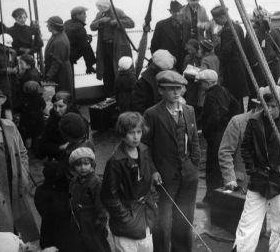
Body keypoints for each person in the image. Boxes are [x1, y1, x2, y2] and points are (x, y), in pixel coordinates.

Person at [234, 85, 280, 252]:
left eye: (273, 106)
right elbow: (246, 148)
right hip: (259, 180)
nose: (268, 110)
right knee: (248, 222)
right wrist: (253, 170)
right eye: (265, 106)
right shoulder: (254, 121)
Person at [143, 70, 200, 252]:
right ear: (161, 91)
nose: (176, 92)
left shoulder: (189, 111)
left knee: (184, 219)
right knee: (163, 222)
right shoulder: (152, 114)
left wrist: (194, 164)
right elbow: (144, 147)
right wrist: (152, 171)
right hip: (164, 178)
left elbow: (194, 140)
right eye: (171, 89)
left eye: (179, 88)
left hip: (188, 176)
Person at [35, 109, 93, 251]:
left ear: (66, 134)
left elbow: (68, 176)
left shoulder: (74, 155)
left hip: (66, 201)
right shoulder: (86, 143)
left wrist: (53, 167)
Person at [101, 112, 158, 252]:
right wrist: (125, 218)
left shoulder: (144, 150)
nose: (136, 137)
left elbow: (148, 175)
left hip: (145, 215)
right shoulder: (115, 161)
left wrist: (153, 199)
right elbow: (108, 196)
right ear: (122, 133)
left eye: (139, 132)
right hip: (127, 220)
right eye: (131, 133)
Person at [0, 87, 40, 241]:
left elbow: (22, 152)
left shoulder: (9, 126)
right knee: (5, 238)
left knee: (24, 236)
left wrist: (24, 173)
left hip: (16, 190)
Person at [199, 69, 241, 205]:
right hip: (226, 133)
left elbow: (214, 117)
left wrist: (206, 131)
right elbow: (236, 106)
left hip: (216, 136)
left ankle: (210, 198)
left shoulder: (210, 96)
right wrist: (230, 122)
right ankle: (222, 197)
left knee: (212, 168)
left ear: (206, 83)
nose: (200, 85)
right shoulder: (224, 90)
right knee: (224, 166)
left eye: (201, 82)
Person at [218, 89, 266, 192]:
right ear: (259, 107)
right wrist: (230, 179)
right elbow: (225, 152)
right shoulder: (238, 122)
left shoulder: (273, 124)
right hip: (241, 183)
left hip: (265, 184)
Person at [68, 147, 111, 252]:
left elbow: (101, 204)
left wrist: (101, 221)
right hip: (80, 221)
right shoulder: (74, 182)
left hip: (93, 222)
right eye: (78, 165)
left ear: (92, 165)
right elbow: (71, 199)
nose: (83, 168)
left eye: (86, 164)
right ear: (74, 167)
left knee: (98, 246)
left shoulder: (96, 182)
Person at [90, 0, 135, 97]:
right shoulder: (100, 14)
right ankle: (109, 96)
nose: (101, 9)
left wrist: (117, 22)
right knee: (107, 71)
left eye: (103, 6)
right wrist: (100, 21)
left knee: (119, 70)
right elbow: (92, 27)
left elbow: (131, 23)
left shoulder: (117, 11)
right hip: (105, 48)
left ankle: (120, 95)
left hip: (118, 47)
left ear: (108, 5)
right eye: (99, 7)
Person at [212, 5, 251, 110]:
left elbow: (225, 53)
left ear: (222, 17)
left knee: (233, 97)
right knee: (239, 98)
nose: (215, 23)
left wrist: (216, 47)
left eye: (216, 20)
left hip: (232, 70)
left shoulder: (227, 31)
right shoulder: (237, 27)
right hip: (240, 66)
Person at [131, 49, 175, 113]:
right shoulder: (143, 83)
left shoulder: (169, 76)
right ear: (156, 67)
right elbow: (137, 106)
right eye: (164, 70)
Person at [151, 0, 185, 72]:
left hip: (182, 62)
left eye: (178, 11)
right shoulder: (161, 25)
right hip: (166, 62)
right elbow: (154, 45)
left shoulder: (187, 24)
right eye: (174, 11)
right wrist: (158, 60)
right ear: (170, 12)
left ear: (182, 11)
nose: (176, 13)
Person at [44, 16, 74, 93]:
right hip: (59, 70)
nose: (47, 26)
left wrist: (48, 76)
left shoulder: (59, 41)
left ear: (53, 26)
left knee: (62, 94)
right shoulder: (57, 35)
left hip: (61, 73)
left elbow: (57, 61)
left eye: (48, 24)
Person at [64, 6, 97, 74]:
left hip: (65, 53)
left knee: (85, 42)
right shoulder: (79, 27)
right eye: (84, 14)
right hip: (70, 56)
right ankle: (89, 67)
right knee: (86, 44)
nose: (86, 16)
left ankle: (90, 65)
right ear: (77, 15)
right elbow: (84, 46)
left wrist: (85, 37)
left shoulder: (67, 23)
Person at [18, 80, 45, 150]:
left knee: (28, 136)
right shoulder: (40, 98)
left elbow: (20, 108)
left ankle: (28, 149)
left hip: (26, 120)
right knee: (37, 135)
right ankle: (36, 147)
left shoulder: (23, 98)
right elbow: (44, 106)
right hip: (38, 119)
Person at [0, 33, 17, 118]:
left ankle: (9, 122)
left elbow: (16, 64)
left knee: (9, 103)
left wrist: (16, 69)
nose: (8, 48)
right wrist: (5, 70)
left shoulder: (13, 53)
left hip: (11, 83)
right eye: (5, 46)